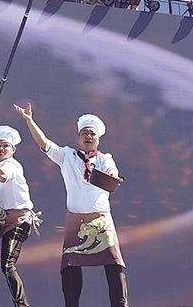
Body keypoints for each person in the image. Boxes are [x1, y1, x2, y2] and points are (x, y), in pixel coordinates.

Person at [14, 103, 129, 307]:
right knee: (70, 264)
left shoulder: (105, 159)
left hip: (101, 218)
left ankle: (121, 304)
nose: (88, 136)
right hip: (76, 219)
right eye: (84, 133)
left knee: (113, 262)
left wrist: (111, 176)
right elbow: (44, 144)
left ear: (98, 139)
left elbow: (112, 175)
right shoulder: (67, 156)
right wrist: (29, 120)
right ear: (78, 137)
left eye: (92, 134)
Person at [0, 125, 38, 307]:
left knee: (7, 265)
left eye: (5, 146)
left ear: (13, 150)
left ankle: (21, 305)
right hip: (3, 220)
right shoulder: (1, 167)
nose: (1, 149)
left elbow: (2, 176)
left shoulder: (11, 165)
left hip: (19, 222)